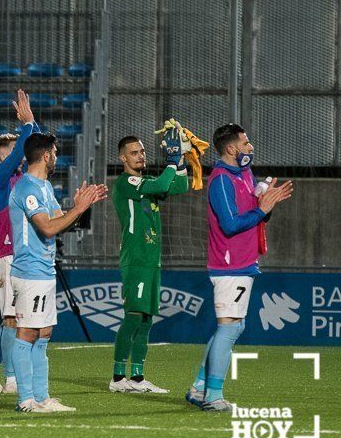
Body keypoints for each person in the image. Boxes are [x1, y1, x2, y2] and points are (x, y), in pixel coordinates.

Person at [186, 124, 292, 412]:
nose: (250, 147)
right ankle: (213, 396)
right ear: (231, 148)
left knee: (233, 326)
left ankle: (198, 388)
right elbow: (230, 225)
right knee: (229, 327)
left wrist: (263, 200)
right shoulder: (220, 179)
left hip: (243, 262)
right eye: (245, 143)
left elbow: (255, 215)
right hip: (229, 264)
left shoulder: (244, 172)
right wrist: (262, 209)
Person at [8, 133, 107, 412]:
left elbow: (60, 220)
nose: (57, 156)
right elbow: (48, 228)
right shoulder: (27, 188)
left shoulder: (44, 186)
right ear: (46, 155)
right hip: (29, 271)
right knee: (27, 333)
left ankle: (42, 397)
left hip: (44, 269)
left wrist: (81, 209)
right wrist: (77, 208)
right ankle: (26, 399)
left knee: (43, 335)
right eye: (54, 151)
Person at [109, 133, 188, 394]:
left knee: (146, 319)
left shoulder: (146, 182)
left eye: (142, 151)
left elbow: (178, 186)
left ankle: (138, 377)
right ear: (123, 158)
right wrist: (171, 160)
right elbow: (163, 183)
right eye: (134, 152)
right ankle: (118, 377)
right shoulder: (126, 182)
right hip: (136, 258)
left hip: (152, 259)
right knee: (133, 315)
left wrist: (182, 159)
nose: (140, 155)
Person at [0, 89, 40, 394]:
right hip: (8, 257)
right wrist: (27, 126)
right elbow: (22, 153)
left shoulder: (25, 179)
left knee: (18, 318)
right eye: (11, 154)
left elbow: (37, 154)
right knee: (13, 318)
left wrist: (33, 125)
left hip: (25, 256)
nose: (18, 156)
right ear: (0, 158)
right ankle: (9, 377)